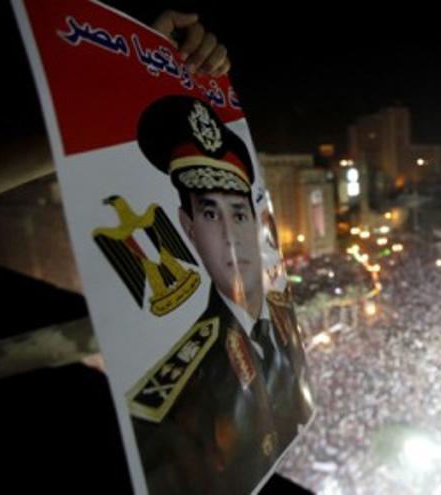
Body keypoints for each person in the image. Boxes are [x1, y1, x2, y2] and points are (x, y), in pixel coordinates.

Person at [127, 95, 312, 494]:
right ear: (188, 227)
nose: (231, 237)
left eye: (239, 214)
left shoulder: (284, 320)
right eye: (210, 213)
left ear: (258, 224)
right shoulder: (181, 387)